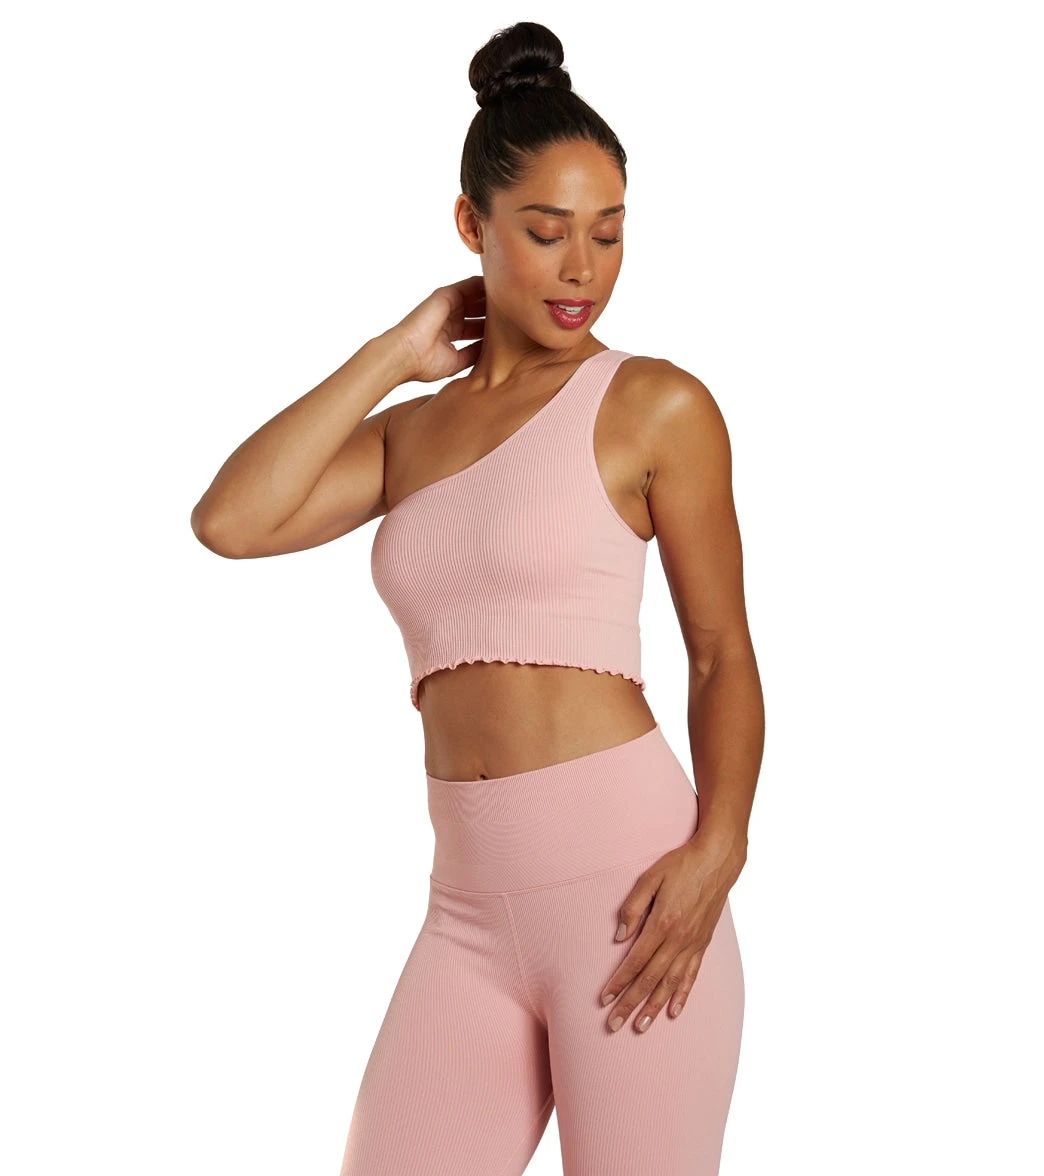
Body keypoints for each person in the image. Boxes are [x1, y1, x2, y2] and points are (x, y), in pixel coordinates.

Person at [190, 19, 764, 1176]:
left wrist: (722, 847)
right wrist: (390, 353)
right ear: (472, 225)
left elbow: (721, 653)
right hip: (464, 910)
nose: (582, 267)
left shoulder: (655, 405)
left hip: (630, 896)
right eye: (546, 232)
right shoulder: (410, 436)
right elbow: (231, 521)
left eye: (608, 233)